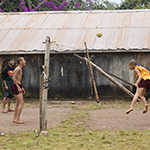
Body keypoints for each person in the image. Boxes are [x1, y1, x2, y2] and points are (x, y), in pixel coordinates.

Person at [11, 57, 26, 124]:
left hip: (18, 85)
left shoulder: (19, 69)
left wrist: (21, 87)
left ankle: (15, 118)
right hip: (16, 86)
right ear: (20, 62)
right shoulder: (18, 69)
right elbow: (14, 78)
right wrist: (18, 87)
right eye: (23, 60)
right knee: (21, 102)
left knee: (18, 103)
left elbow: (18, 80)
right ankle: (17, 119)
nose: (25, 61)